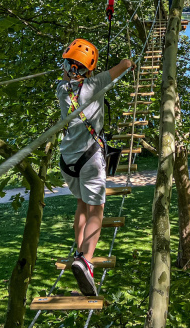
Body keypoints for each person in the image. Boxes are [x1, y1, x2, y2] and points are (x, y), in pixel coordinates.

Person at [57, 39, 133, 296]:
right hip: (89, 157)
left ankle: (80, 252)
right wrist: (129, 62)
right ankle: (86, 261)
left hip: (67, 159)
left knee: (81, 204)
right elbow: (123, 66)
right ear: (88, 69)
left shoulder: (61, 89)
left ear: (68, 65)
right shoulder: (94, 84)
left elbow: (76, 78)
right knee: (96, 210)